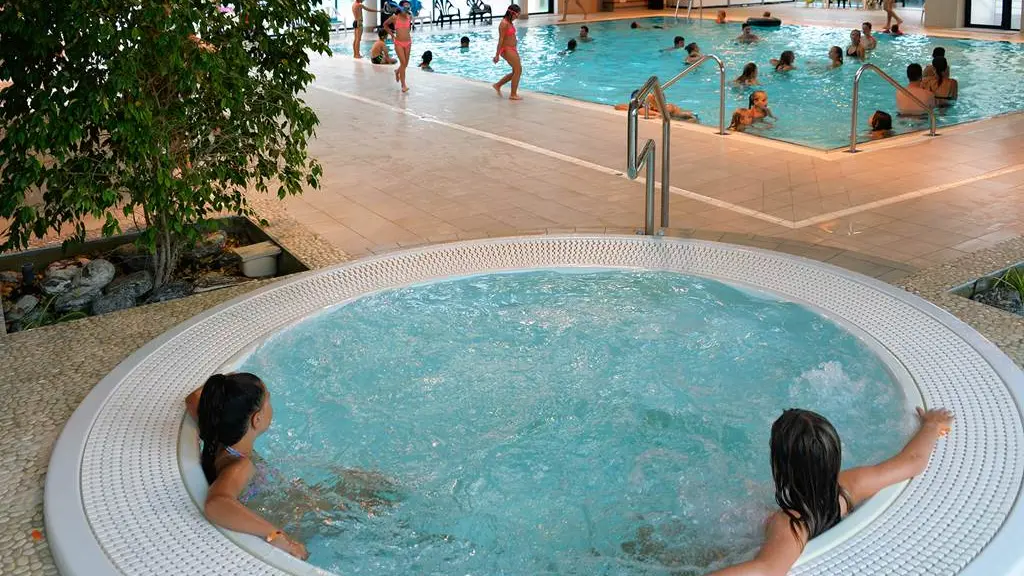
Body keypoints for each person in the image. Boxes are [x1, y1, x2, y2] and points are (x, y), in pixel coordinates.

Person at [707, 407, 954, 576]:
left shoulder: (790, 523)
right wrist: (931, 425)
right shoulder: (849, 486)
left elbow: (767, 569)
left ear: (780, 465)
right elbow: (912, 461)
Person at [185, 373, 403, 560]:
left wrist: (235, 387)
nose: (271, 405)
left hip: (289, 502)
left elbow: (194, 399)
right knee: (379, 507)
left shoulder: (216, 432)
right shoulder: (240, 466)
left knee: (365, 482)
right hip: (297, 520)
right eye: (267, 400)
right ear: (257, 420)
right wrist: (277, 536)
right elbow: (216, 504)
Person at [493, 5, 523, 100]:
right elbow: (500, 40)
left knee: (516, 70)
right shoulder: (504, 24)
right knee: (518, 70)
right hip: (506, 49)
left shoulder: (510, 22)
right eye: (517, 14)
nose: (517, 17)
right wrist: (497, 55)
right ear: (512, 13)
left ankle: (498, 85)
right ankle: (513, 94)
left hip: (512, 48)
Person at [384, 5, 414, 92]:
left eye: (408, 7)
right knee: (403, 63)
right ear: (400, 9)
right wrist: (392, 35)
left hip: (408, 43)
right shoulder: (394, 18)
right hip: (399, 43)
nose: (407, 9)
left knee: (405, 64)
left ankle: (397, 71)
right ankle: (403, 85)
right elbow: (385, 25)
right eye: (405, 8)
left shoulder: (409, 16)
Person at [614, 93, 697, 122]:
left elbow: (663, 113)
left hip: (689, 118)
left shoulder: (670, 106)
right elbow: (617, 106)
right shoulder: (644, 109)